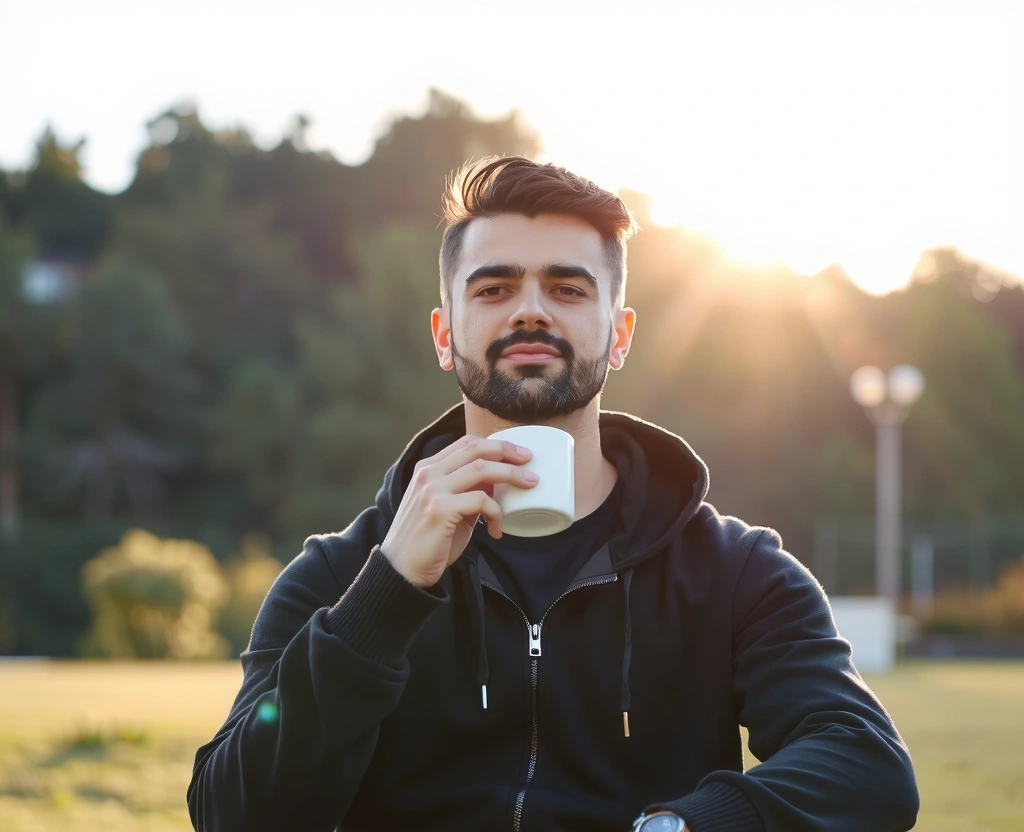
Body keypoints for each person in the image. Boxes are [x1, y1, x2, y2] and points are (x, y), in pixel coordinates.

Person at [188, 156, 919, 832]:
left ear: (620, 333)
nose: (530, 311)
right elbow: (232, 814)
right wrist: (388, 592)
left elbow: (867, 766)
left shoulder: (735, 573)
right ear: (445, 335)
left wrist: (684, 827)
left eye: (567, 288)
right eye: (495, 287)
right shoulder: (338, 577)